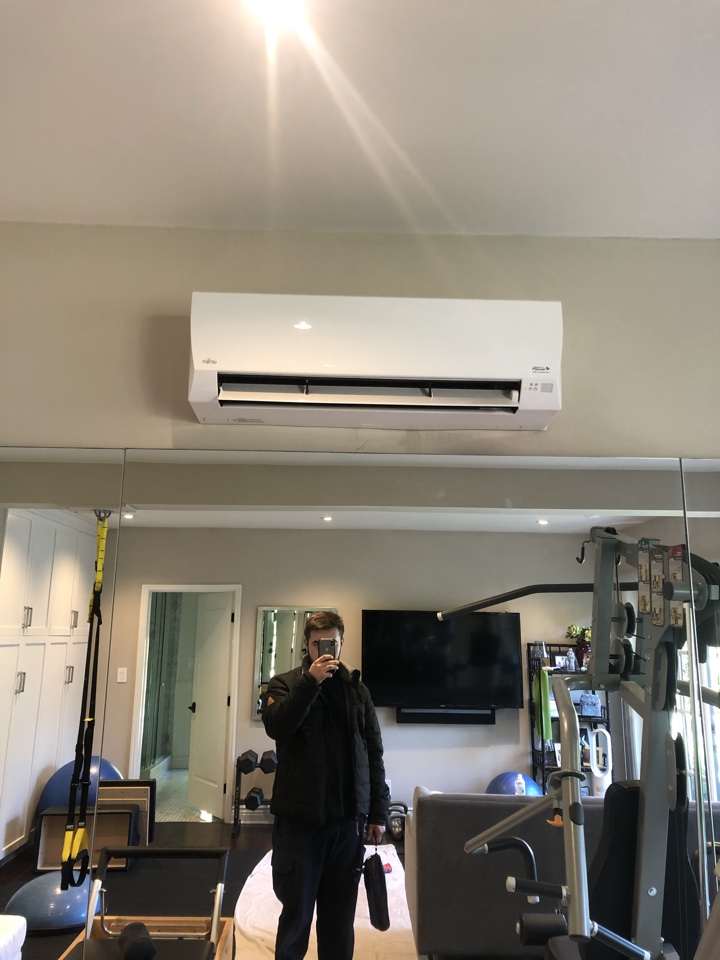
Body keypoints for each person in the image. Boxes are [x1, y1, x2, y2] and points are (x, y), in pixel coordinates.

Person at [261, 610, 389, 960]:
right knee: (296, 917)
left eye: (332, 643)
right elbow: (276, 725)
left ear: (342, 643)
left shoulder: (357, 690)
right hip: (299, 826)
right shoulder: (284, 684)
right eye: (318, 644)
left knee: (338, 921)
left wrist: (378, 812)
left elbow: (373, 753)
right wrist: (310, 683)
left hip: (347, 824)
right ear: (306, 644)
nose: (325, 650)